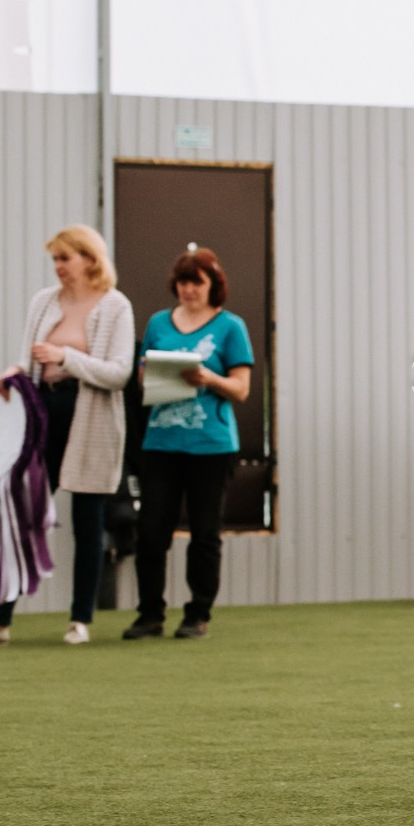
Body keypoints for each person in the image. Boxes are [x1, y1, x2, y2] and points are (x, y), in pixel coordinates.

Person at [0, 225, 133, 647]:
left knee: (89, 520)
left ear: (90, 259)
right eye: (55, 259)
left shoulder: (115, 306)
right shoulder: (43, 301)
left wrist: (66, 357)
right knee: (21, 511)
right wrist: (12, 373)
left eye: (65, 258)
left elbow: (119, 372)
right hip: (42, 413)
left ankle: (80, 620)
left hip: (90, 416)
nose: (59, 267)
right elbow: (28, 358)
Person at [123, 247, 253, 640]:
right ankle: (150, 614)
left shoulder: (231, 327)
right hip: (161, 441)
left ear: (213, 286)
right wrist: (148, 373)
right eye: (182, 282)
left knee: (204, 531)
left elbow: (241, 388)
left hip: (210, 445)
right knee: (151, 531)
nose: (188, 290)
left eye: (196, 282)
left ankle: (197, 613)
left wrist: (209, 379)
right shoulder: (159, 323)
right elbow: (144, 377)